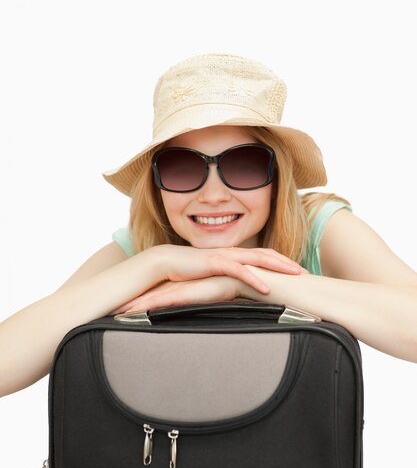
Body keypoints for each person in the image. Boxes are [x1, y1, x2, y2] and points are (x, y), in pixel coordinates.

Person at [1, 52, 417, 398]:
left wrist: (243, 280)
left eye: (244, 165)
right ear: (157, 184)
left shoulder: (321, 228)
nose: (213, 194)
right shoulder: (144, 247)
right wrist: (155, 262)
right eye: (183, 169)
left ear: (277, 176)